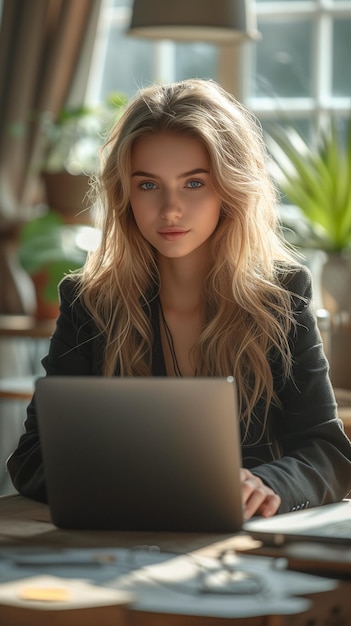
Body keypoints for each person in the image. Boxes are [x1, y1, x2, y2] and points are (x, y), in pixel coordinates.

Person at [7, 79, 351, 519]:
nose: (170, 209)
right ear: (124, 194)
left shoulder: (282, 298)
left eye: (193, 184)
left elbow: (328, 452)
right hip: (116, 544)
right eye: (148, 186)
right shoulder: (90, 303)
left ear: (230, 188)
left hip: (240, 553)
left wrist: (268, 484)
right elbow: (32, 457)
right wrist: (134, 484)